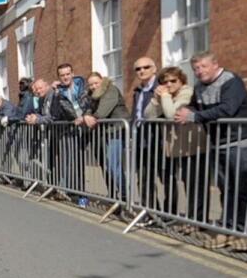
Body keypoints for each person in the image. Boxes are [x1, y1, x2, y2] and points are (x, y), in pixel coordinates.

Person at [175, 52, 247, 251]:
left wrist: (194, 117)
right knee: (226, 188)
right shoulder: (199, 87)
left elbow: (227, 109)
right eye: (196, 69)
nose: (199, 71)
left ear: (215, 64)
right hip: (217, 143)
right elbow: (194, 107)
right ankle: (228, 229)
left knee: (242, 189)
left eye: (203, 66)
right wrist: (186, 110)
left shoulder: (231, 81)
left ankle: (246, 232)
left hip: (239, 141)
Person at [144, 66, 202, 224]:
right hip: (176, 147)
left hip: (192, 145)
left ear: (181, 80)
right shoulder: (166, 96)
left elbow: (171, 115)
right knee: (183, 182)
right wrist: (156, 100)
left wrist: (164, 96)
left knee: (194, 185)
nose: (169, 84)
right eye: (165, 82)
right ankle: (188, 219)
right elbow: (148, 116)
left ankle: (197, 221)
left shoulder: (186, 92)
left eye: (173, 81)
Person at [82, 72, 128, 200]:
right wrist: (87, 115)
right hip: (104, 132)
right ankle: (115, 195)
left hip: (116, 130)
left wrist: (90, 117)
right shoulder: (93, 95)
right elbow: (88, 108)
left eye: (96, 83)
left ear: (102, 81)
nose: (93, 86)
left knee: (114, 165)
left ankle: (125, 195)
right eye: (91, 84)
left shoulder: (110, 90)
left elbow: (102, 111)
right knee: (107, 165)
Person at [130, 57, 161, 208]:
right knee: (143, 177)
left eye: (146, 67)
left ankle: (169, 214)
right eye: (138, 69)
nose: (142, 71)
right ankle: (148, 210)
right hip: (140, 140)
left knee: (164, 178)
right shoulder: (137, 91)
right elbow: (134, 114)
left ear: (154, 69)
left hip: (158, 139)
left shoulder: (160, 87)